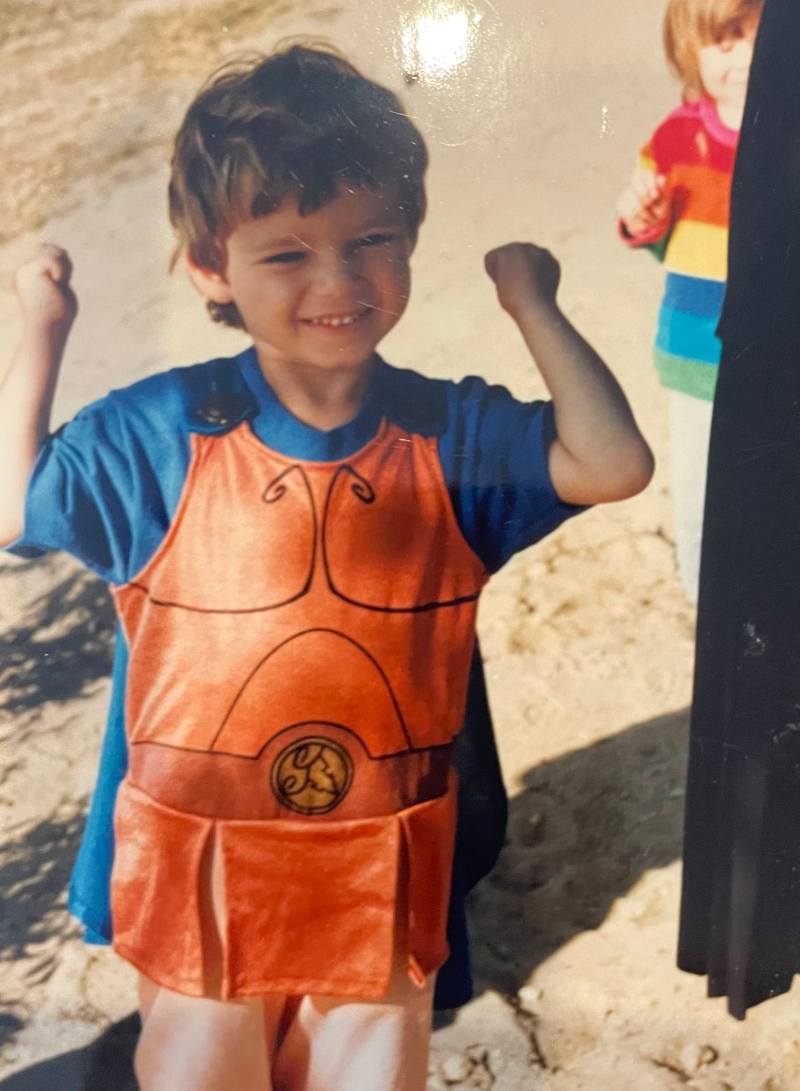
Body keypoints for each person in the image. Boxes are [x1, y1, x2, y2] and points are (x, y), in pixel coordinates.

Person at [0, 45, 653, 1091]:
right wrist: (42, 331)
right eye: (286, 254)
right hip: (201, 859)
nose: (338, 282)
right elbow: (14, 504)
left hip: (376, 858)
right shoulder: (160, 431)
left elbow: (612, 463)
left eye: (370, 241)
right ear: (211, 267)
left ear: (409, 237)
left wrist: (531, 301)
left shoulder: (449, 431)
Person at [616, 0, 763, 603]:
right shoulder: (679, 137)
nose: (749, 57)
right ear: (688, 51)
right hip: (698, 359)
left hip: (782, 362)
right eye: (727, 41)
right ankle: (709, 608)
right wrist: (641, 216)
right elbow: (657, 236)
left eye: (764, 39)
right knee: (704, 497)